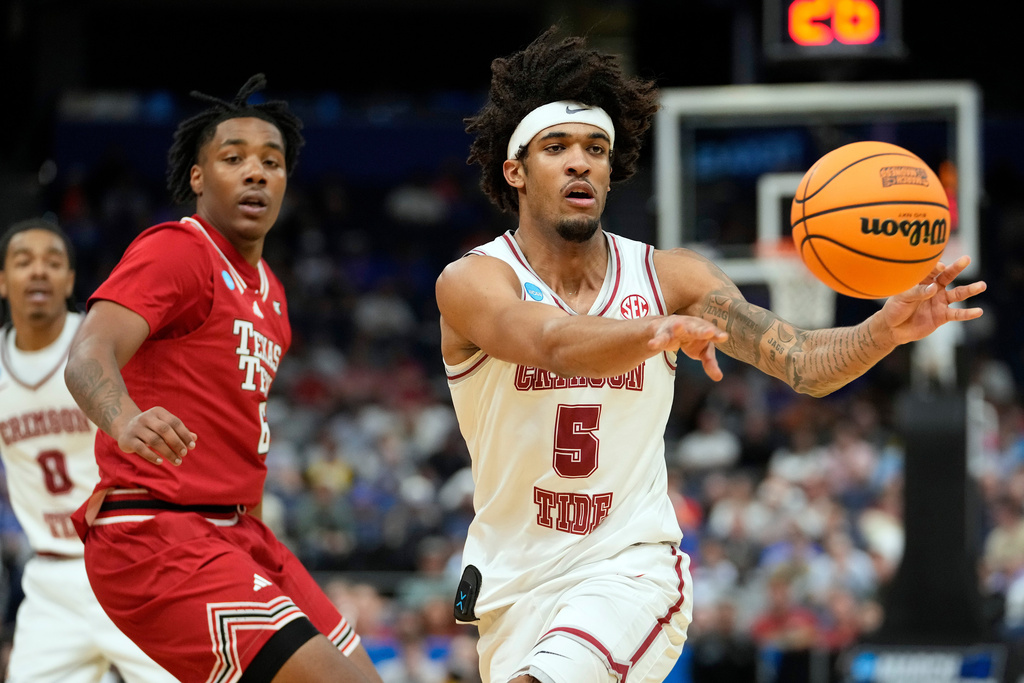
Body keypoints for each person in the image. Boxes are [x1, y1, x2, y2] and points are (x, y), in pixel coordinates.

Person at [435, 27, 986, 683]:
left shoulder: (672, 277)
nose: (581, 162)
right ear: (515, 170)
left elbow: (803, 362)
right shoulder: (472, 280)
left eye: (596, 148)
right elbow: (552, 343)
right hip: (512, 583)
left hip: (627, 569)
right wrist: (650, 334)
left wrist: (882, 331)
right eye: (557, 148)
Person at [64, 75, 382, 683]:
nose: (256, 172)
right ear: (198, 176)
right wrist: (125, 417)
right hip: (153, 533)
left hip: (237, 530)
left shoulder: (275, 298)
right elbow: (87, 354)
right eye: (233, 159)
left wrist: (259, 537)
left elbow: (240, 427)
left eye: (272, 161)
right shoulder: (179, 252)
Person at [0, 218, 176, 682]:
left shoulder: (100, 347)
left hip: (132, 563)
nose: (39, 272)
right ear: (3, 280)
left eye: (53, 262)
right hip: (51, 578)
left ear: (70, 280)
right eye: (24, 262)